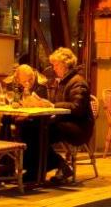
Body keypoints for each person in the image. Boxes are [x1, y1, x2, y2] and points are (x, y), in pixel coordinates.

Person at [46, 47, 94, 184]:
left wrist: (54, 106)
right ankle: (39, 169)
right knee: (33, 129)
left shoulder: (78, 82)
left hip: (79, 127)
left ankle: (60, 166)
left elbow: (77, 108)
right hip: (67, 122)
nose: (54, 68)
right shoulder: (64, 82)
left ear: (65, 65)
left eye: (55, 65)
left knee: (42, 133)